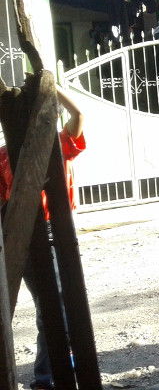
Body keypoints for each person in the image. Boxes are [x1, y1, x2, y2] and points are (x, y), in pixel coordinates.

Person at [1, 86, 86, 390]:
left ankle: (55, 369)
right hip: (25, 235)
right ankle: (45, 378)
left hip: (58, 231)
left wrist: (50, 86)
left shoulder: (58, 144)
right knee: (52, 303)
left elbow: (78, 114)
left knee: (63, 302)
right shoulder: (4, 157)